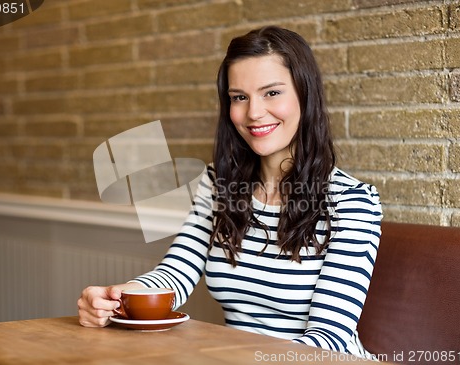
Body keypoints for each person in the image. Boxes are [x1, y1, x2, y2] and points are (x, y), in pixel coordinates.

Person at [78, 25, 382, 358]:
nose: (253, 113)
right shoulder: (218, 184)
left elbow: (328, 340)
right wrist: (119, 297)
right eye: (239, 97)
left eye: (272, 93)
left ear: (305, 95)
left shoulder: (351, 203)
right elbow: (175, 275)